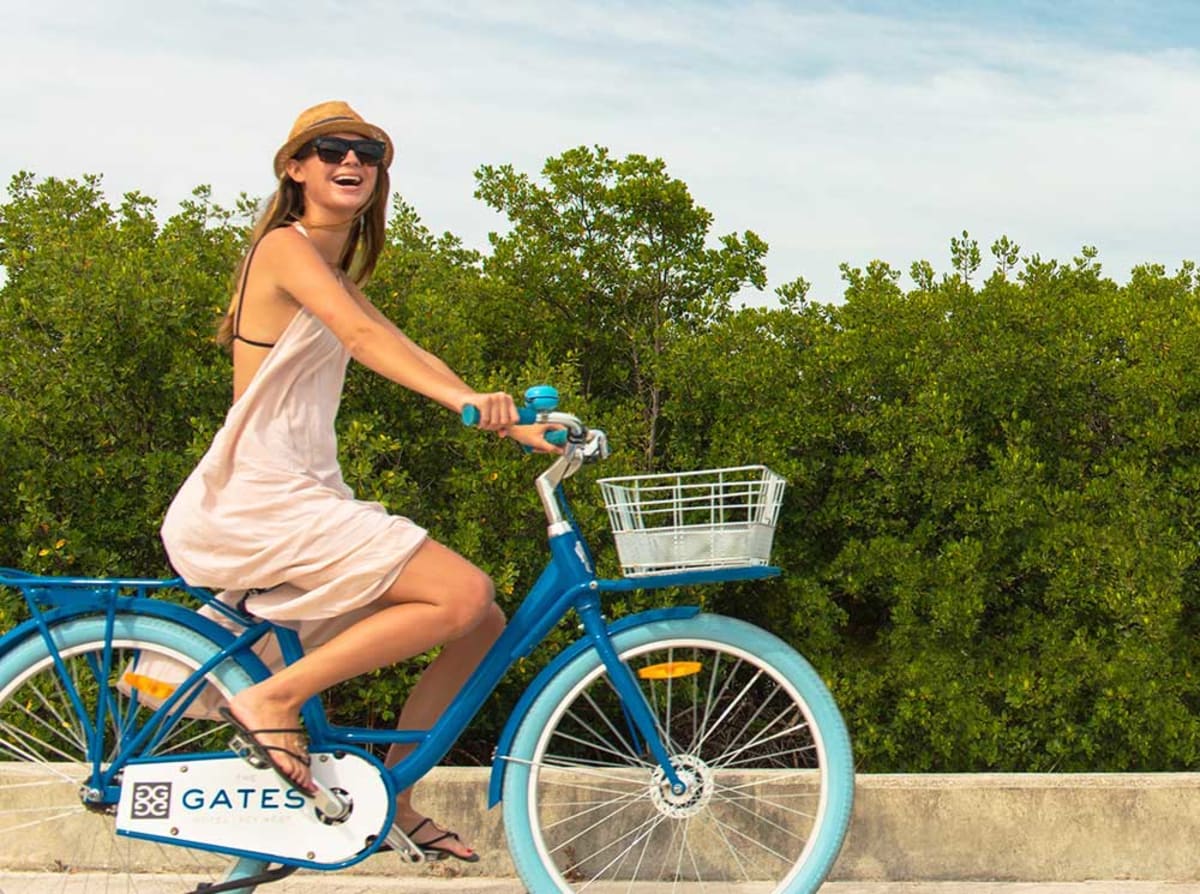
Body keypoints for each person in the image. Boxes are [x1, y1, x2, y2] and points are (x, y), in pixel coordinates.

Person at [160, 100, 560, 862]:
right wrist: (468, 404)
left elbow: (399, 343)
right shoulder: (285, 247)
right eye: (330, 149)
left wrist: (510, 423)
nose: (353, 161)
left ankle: (393, 796)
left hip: (301, 492)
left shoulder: (327, 267)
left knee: (481, 623)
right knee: (462, 593)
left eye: (369, 153)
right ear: (294, 168)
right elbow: (363, 337)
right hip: (261, 495)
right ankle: (273, 697)